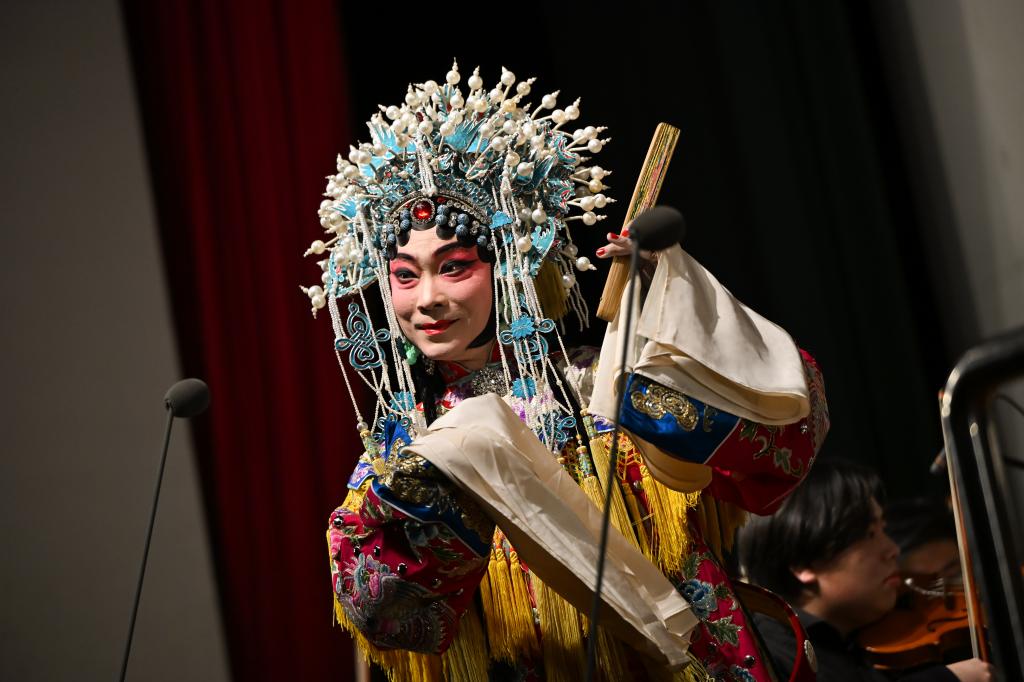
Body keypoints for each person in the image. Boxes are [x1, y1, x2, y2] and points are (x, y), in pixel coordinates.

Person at [307, 61, 830, 681]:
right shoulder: (400, 451)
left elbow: (790, 433)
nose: (428, 300)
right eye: (404, 275)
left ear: (510, 266)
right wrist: (437, 493)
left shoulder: (599, 392)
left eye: (454, 267)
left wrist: (670, 313)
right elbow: (384, 618)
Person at [737, 458, 993, 682]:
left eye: (883, 530)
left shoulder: (854, 640)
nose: (893, 549)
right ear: (804, 564)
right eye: (870, 534)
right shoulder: (766, 655)